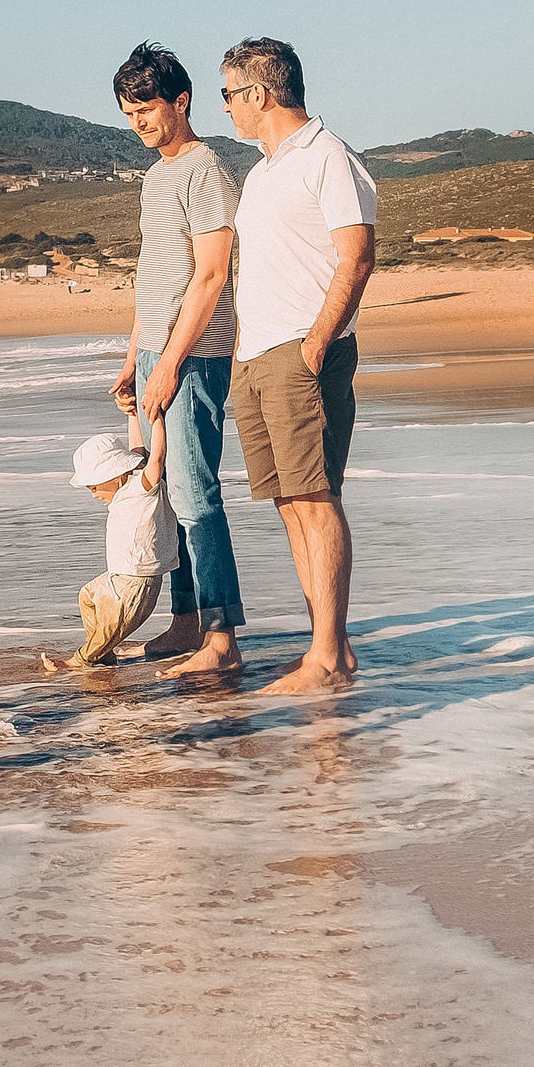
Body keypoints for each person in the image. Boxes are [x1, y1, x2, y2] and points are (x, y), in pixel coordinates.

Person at [217, 38, 378, 695]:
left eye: (229, 93)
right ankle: (327, 647)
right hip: (256, 357)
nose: (224, 106)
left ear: (260, 94)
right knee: (290, 504)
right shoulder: (262, 172)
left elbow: (358, 257)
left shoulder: (328, 157)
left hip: (302, 352)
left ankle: (329, 658)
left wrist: (315, 344)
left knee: (318, 499)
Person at [107, 41, 247, 680]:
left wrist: (170, 363)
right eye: (128, 111)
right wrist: (136, 355)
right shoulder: (156, 176)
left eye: (146, 108)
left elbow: (213, 273)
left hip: (196, 354)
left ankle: (221, 636)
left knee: (195, 495)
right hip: (161, 350)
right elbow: (153, 276)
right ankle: (188, 623)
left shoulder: (204, 169)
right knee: (174, 490)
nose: (137, 121)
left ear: (180, 101)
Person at [40, 430, 177, 673]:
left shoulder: (141, 488)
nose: (93, 494)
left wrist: (157, 419)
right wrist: (133, 413)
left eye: (94, 487)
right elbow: (137, 448)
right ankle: (103, 656)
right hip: (117, 577)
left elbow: (156, 458)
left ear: (114, 475)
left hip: (138, 581)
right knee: (87, 596)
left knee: (110, 627)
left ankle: (81, 659)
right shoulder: (122, 490)